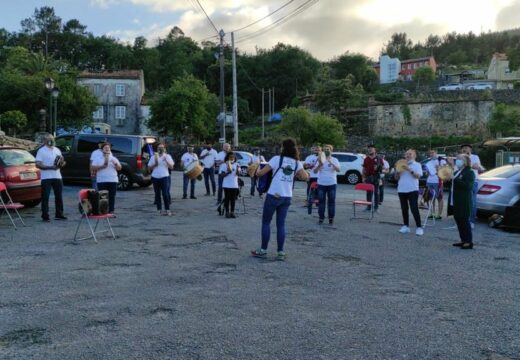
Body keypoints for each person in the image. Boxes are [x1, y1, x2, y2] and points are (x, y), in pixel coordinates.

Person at [251, 138, 309, 260]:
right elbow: (305, 177)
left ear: (283, 147)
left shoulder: (277, 159)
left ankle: (263, 250)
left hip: (274, 194)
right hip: (287, 196)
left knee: (266, 222)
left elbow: (261, 173)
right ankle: (280, 252)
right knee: (281, 225)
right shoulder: (296, 162)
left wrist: (255, 169)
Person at [35, 133, 67, 222]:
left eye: (52, 139)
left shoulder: (57, 149)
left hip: (57, 176)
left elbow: (62, 160)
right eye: (49, 139)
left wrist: (62, 164)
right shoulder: (41, 151)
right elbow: (38, 164)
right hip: (46, 177)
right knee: (45, 197)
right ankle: (45, 216)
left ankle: (59, 214)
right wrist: (50, 167)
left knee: (59, 196)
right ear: (45, 141)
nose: (51, 141)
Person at [448, 154, 475, 249]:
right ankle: (463, 239)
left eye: (460, 159)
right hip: (456, 199)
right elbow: (453, 181)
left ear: (465, 161)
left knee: (464, 220)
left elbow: (468, 186)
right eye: (457, 159)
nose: (457, 161)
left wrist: (454, 178)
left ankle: (468, 241)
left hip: (464, 200)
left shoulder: (469, 172)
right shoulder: (459, 171)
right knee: (458, 220)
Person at [395, 149, 424, 236]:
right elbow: (396, 178)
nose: (407, 155)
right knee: (404, 209)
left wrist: (409, 169)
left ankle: (419, 227)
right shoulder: (401, 164)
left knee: (414, 209)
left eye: (410, 154)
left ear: (414, 155)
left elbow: (418, 176)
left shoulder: (417, 164)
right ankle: (406, 226)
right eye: (406, 154)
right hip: (402, 189)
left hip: (412, 189)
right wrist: (397, 172)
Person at [91, 142, 122, 214]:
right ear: (102, 149)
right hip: (102, 180)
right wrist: (102, 166)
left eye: (108, 148)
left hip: (112, 180)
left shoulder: (113, 158)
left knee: (112, 196)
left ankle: (111, 210)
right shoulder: (98, 158)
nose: (107, 149)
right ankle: (103, 210)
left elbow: (119, 168)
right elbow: (93, 167)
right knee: (102, 197)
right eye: (105, 148)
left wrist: (116, 164)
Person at [313, 144, 340, 224]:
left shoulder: (335, 159)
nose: (326, 150)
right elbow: (314, 171)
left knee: (331, 202)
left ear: (331, 151)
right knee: (321, 202)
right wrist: (319, 165)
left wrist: (331, 162)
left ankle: (331, 218)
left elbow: (338, 170)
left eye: (328, 149)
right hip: (321, 184)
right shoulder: (320, 159)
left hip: (332, 183)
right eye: (325, 149)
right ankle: (321, 218)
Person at [460, 144, 484, 228]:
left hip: (473, 181)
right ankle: (464, 220)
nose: (464, 149)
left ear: (470, 149)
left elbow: (477, 167)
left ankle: (471, 221)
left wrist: (467, 164)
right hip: (463, 181)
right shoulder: (461, 157)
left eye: (466, 148)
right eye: (463, 148)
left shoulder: (475, 157)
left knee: (472, 202)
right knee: (464, 201)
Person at [148, 143, 174, 216]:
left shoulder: (167, 156)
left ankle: (167, 209)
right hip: (155, 177)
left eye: (162, 148)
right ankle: (159, 210)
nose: (160, 149)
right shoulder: (153, 157)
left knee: (165, 194)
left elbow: (171, 167)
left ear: (164, 149)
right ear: (157, 149)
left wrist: (166, 161)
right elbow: (149, 168)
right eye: (159, 148)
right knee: (157, 194)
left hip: (164, 177)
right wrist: (155, 164)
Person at [424, 149, 447, 220]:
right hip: (429, 181)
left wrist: (439, 169)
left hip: (438, 181)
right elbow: (427, 174)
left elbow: (445, 171)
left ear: (436, 153)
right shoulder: (429, 162)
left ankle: (439, 215)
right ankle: (432, 213)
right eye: (430, 153)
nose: (431, 154)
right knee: (430, 197)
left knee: (439, 197)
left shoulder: (441, 160)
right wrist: (427, 172)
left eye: (432, 152)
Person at [362, 144, 384, 212]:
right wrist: (363, 177)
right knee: (368, 192)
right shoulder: (366, 159)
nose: (370, 150)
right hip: (368, 177)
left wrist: (379, 170)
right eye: (369, 149)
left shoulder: (379, 158)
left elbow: (383, 168)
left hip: (376, 177)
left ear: (375, 150)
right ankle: (368, 207)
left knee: (376, 193)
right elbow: (364, 169)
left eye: (371, 149)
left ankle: (376, 208)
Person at [219, 151, 241, 218]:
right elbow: (221, 175)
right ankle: (227, 212)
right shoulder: (224, 165)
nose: (232, 158)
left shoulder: (237, 164)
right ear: (228, 157)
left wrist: (238, 170)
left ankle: (232, 212)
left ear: (234, 157)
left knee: (233, 199)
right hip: (226, 185)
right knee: (227, 199)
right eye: (230, 157)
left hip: (234, 184)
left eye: (233, 156)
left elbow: (238, 174)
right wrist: (228, 172)